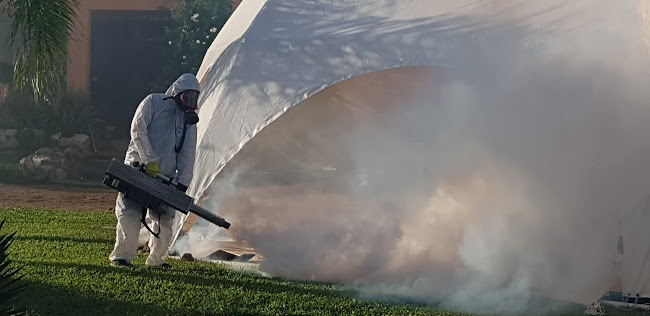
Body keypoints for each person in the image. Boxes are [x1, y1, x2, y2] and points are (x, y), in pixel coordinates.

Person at [109, 73, 201, 268]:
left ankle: (157, 260)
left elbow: (187, 151)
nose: (191, 103)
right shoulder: (153, 102)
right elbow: (137, 130)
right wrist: (149, 161)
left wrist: (183, 181)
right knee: (130, 212)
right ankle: (122, 257)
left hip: (165, 178)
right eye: (188, 97)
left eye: (195, 98)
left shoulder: (187, 121)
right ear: (177, 93)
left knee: (165, 218)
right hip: (138, 169)